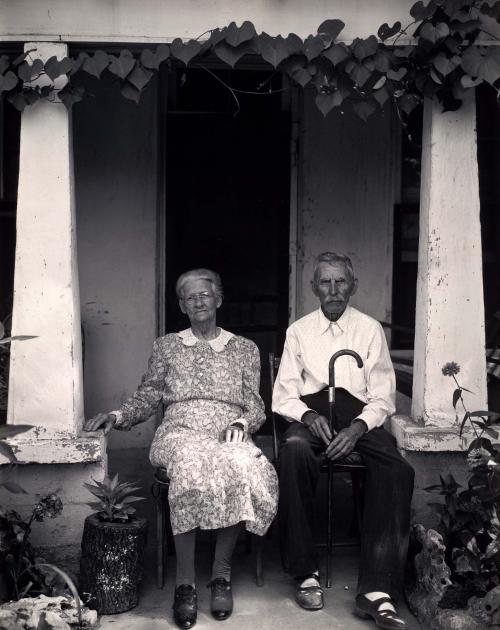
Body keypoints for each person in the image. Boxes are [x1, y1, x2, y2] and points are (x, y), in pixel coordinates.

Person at [84, 268, 278, 629]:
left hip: (227, 430)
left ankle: (221, 576)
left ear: (218, 299)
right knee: (189, 468)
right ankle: (186, 584)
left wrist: (241, 424)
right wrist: (116, 414)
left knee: (240, 465)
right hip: (180, 430)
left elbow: (255, 407)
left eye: (205, 294)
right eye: (189, 296)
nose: (198, 300)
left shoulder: (244, 349)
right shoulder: (167, 346)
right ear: (182, 306)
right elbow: (148, 396)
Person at [272, 252, 414, 630]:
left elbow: (384, 396)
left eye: (340, 282)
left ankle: (376, 589)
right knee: (294, 450)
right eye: (325, 282)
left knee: (398, 469)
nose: (333, 290)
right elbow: (283, 395)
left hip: (358, 417)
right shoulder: (298, 331)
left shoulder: (369, 330)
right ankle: (305, 573)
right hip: (313, 412)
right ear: (314, 287)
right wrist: (308, 416)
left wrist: (357, 428)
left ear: (353, 286)